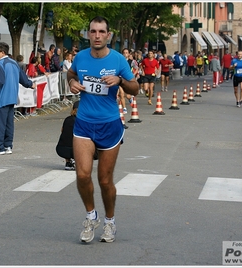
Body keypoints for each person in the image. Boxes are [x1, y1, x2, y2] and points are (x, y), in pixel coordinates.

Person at [67, 16, 139, 243]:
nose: (97, 36)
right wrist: (71, 82)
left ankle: (110, 221)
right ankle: (91, 216)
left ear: (108, 35)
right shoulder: (80, 57)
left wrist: (120, 81)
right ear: (88, 34)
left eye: (101, 32)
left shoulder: (118, 60)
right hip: (84, 123)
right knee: (82, 174)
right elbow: (71, 73)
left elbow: (135, 88)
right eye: (93, 31)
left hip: (110, 124)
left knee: (105, 180)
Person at [0, 42, 36, 155]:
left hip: (1, 97)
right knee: (8, 124)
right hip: (12, 97)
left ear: (2, 52)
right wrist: (30, 84)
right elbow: (22, 78)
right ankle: (8, 145)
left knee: (0, 123)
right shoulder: (14, 63)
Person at [56, 100, 79, 170]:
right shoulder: (83, 120)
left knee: (67, 139)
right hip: (77, 150)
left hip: (61, 149)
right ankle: (77, 161)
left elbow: (62, 130)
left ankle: (68, 162)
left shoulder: (67, 119)